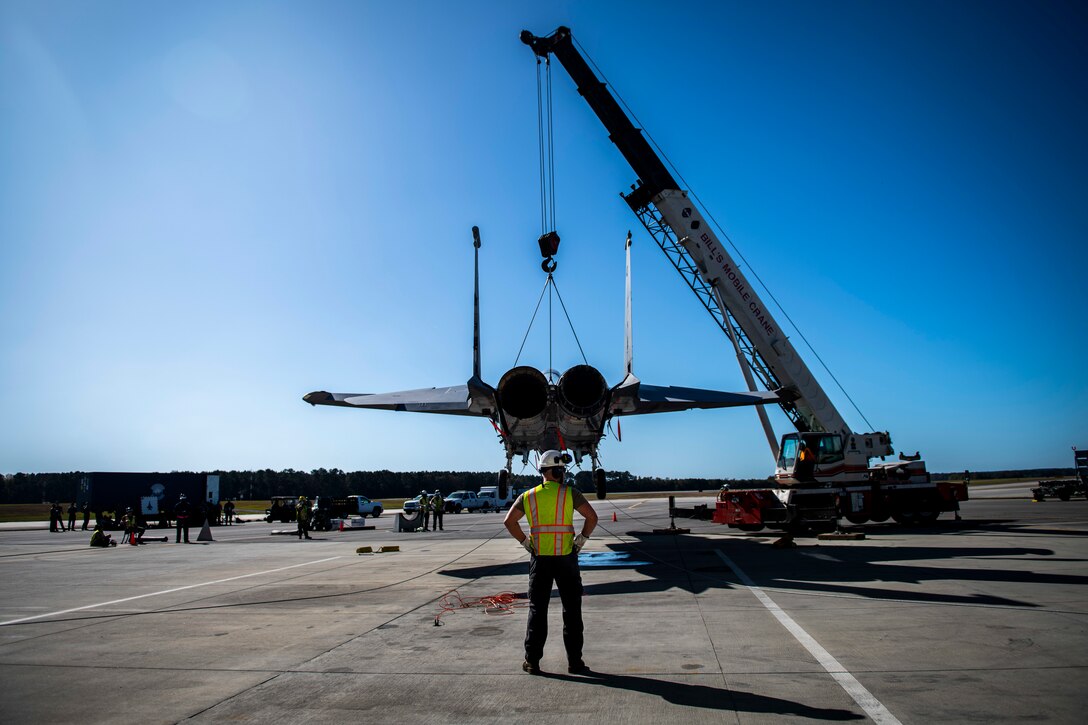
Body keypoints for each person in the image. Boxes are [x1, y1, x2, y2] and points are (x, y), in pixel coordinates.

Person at [503, 449, 598, 675]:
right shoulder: (570, 493)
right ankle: (575, 662)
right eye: (562, 470)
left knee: (537, 610)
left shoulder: (528, 496)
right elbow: (592, 517)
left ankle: (532, 661)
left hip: (540, 559)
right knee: (572, 611)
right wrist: (581, 540)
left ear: (542, 471)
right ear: (558, 470)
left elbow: (509, 522)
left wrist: (526, 543)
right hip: (566, 558)